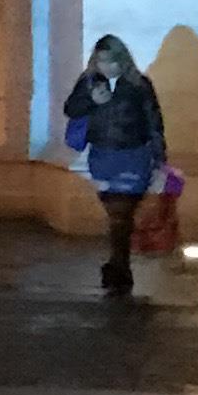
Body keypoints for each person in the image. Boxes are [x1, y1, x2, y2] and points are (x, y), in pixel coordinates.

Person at [63, 32, 169, 299]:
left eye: (111, 61)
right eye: (101, 61)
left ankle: (119, 267)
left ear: (123, 60)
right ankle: (117, 265)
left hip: (134, 157)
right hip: (103, 158)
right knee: (118, 216)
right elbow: (71, 109)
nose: (107, 67)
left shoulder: (138, 84)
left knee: (121, 215)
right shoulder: (88, 83)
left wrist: (160, 161)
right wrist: (90, 100)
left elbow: (154, 124)